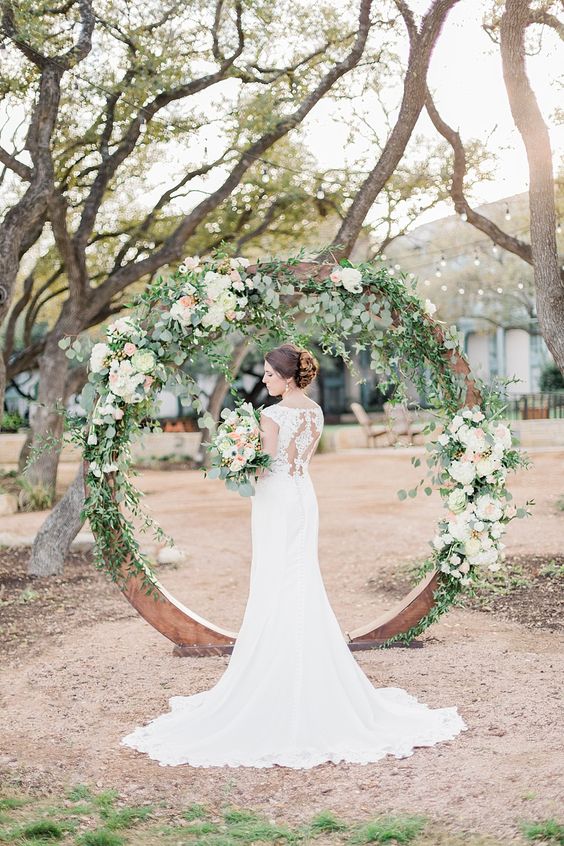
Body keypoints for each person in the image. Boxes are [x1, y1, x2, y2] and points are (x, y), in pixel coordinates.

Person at [121, 342, 467, 768]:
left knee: (275, 578)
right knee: (300, 577)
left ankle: (281, 671)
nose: (264, 379)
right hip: (303, 496)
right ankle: (305, 664)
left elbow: (266, 466)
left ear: (286, 378)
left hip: (276, 500)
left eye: (269, 374)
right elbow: (297, 459)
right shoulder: (316, 412)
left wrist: (238, 459)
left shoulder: (272, 414)